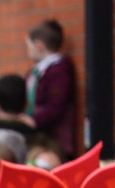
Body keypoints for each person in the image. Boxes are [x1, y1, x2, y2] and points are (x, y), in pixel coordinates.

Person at [24, 19, 76, 159]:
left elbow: (56, 106)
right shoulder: (36, 71)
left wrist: (32, 120)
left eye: (29, 47)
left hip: (52, 141)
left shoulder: (58, 71)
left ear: (39, 46)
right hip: (39, 137)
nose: (28, 52)